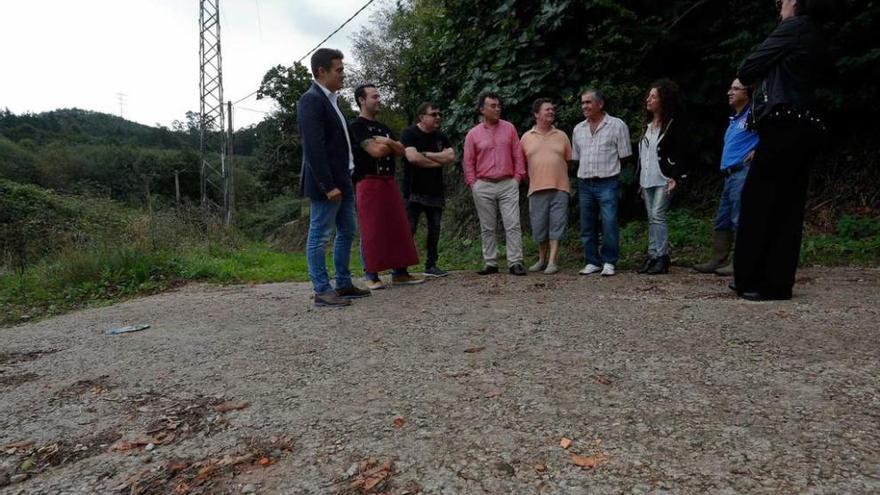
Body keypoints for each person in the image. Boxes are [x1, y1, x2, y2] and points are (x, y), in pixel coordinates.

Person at [732, 0, 826, 301]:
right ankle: (770, 278)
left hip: (785, 123)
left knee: (761, 201)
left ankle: (761, 279)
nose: (778, 5)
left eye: (782, 1)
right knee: (786, 204)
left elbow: (747, 68)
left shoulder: (793, 28)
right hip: (802, 124)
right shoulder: (813, 31)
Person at [297, 48, 369, 307]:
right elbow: (313, 148)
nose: (343, 75)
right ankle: (321, 289)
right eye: (338, 70)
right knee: (319, 235)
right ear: (321, 71)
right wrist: (327, 185)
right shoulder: (311, 100)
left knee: (347, 231)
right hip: (328, 184)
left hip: (344, 180)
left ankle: (343, 283)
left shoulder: (332, 100)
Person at [349, 84, 424, 290]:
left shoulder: (383, 128)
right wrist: (388, 144)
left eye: (379, 95)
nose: (378, 99)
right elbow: (375, 151)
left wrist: (387, 142)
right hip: (368, 181)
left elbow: (402, 150)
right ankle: (371, 274)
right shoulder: (356, 126)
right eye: (374, 96)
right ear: (361, 100)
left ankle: (400, 272)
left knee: (397, 226)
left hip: (388, 181)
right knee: (371, 228)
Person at [693, 79, 759, 276]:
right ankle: (718, 258)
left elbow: (772, 134)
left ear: (747, 93)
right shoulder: (735, 118)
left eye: (736, 89)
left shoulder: (754, 114)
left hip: (743, 172)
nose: (730, 92)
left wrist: (759, 149)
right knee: (723, 218)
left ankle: (740, 261)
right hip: (729, 175)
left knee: (740, 218)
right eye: (730, 88)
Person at [463, 92, 528, 276]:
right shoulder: (473, 134)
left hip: (508, 183)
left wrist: (517, 178)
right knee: (487, 226)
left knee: (513, 224)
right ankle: (491, 262)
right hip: (483, 185)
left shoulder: (509, 128)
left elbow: (517, 155)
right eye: (493, 106)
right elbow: (468, 161)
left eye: (499, 105)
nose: (497, 108)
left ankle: (515, 262)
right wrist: (473, 183)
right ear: (482, 109)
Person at [571, 89, 633, 277]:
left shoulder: (616, 125)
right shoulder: (578, 129)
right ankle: (592, 261)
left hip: (608, 181)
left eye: (588, 102)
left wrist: (611, 172)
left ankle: (609, 261)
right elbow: (576, 157)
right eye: (582, 103)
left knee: (609, 222)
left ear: (600, 104)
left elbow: (625, 156)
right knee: (587, 225)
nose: (584, 107)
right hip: (585, 182)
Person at [637, 79, 687, 275]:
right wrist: (640, 179)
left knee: (658, 215)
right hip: (647, 178)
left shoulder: (673, 125)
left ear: (664, 100)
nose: (648, 99)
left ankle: (662, 256)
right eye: (648, 96)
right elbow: (643, 154)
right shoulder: (647, 125)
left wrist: (676, 176)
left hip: (664, 178)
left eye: (653, 96)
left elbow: (681, 152)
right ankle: (652, 255)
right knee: (651, 217)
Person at [401, 102, 456, 278]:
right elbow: (412, 158)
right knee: (409, 229)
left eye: (439, 114)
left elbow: (451, 157)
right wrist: (438, 161)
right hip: (413, 191)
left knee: (435, 229)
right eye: (434, 114)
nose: (438, 117)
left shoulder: (441, 136)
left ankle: (431, 264)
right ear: (421, 117)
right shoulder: (409, 134)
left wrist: (427, 154)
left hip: (435, 191)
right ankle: (401, 268)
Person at [520, 98, 571, 275]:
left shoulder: (562, 135)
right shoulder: (526, 137)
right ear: (536, 114)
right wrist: (533, 180)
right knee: (539, 226)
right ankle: (541, 259)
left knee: (557, 225)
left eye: (552, 109)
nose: (551, 112)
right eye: (547, 110)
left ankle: (553, 261)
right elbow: (522, 166)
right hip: (536, 188)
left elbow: (568, 161)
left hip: (560, 187)